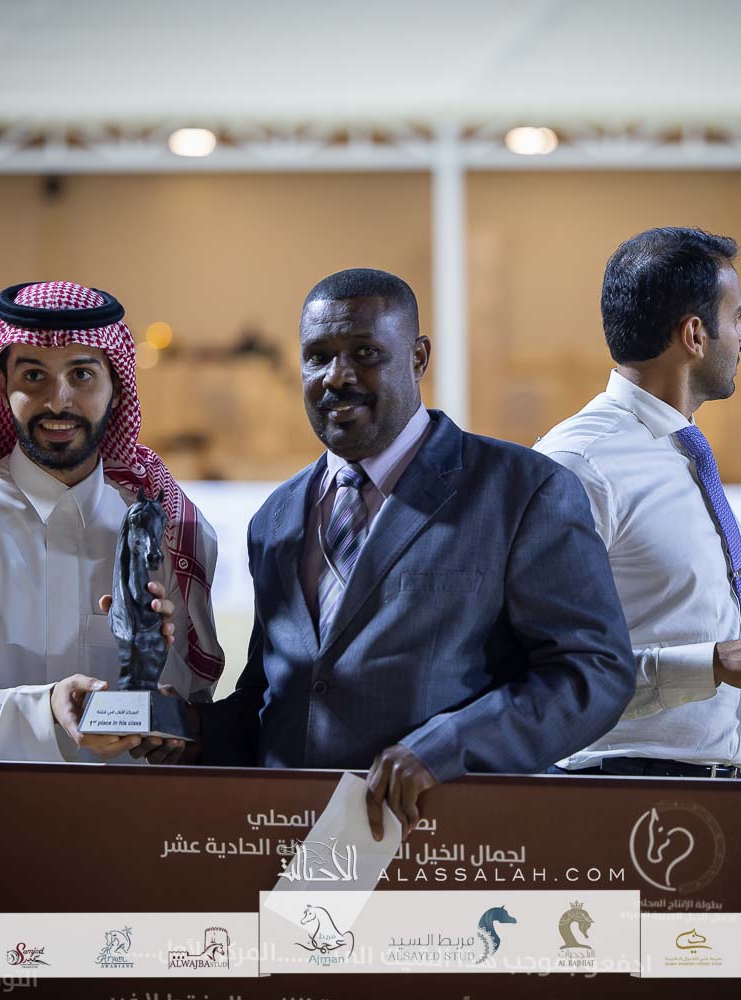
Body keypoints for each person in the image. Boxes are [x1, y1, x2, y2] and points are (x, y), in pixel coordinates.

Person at [0, 281, 225, 999]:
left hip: (116, 846)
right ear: (0, 386)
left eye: (82, 375)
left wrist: (166, 694)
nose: (59, 400)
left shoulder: (169, 530)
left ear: (116, 388)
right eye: (33, 375)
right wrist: (45, 713)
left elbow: (187, 716)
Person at [181, 267, 636, 836]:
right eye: (318, 357)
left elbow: (595, 670)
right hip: (295, 845)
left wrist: (449, 747)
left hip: (452, 842)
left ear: (419, 358)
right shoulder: (275, 518)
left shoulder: (522, 490)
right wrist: (184, 729)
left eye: (365, 353)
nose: (336, 376)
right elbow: (276, 697)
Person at [535, 227, 741, 779]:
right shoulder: (579, 464)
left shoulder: (676, 450)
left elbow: (685, 606)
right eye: (737, 318)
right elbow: (551, 675)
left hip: (703, 791)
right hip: (617, 794)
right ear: (694, 334)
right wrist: (717, 663)